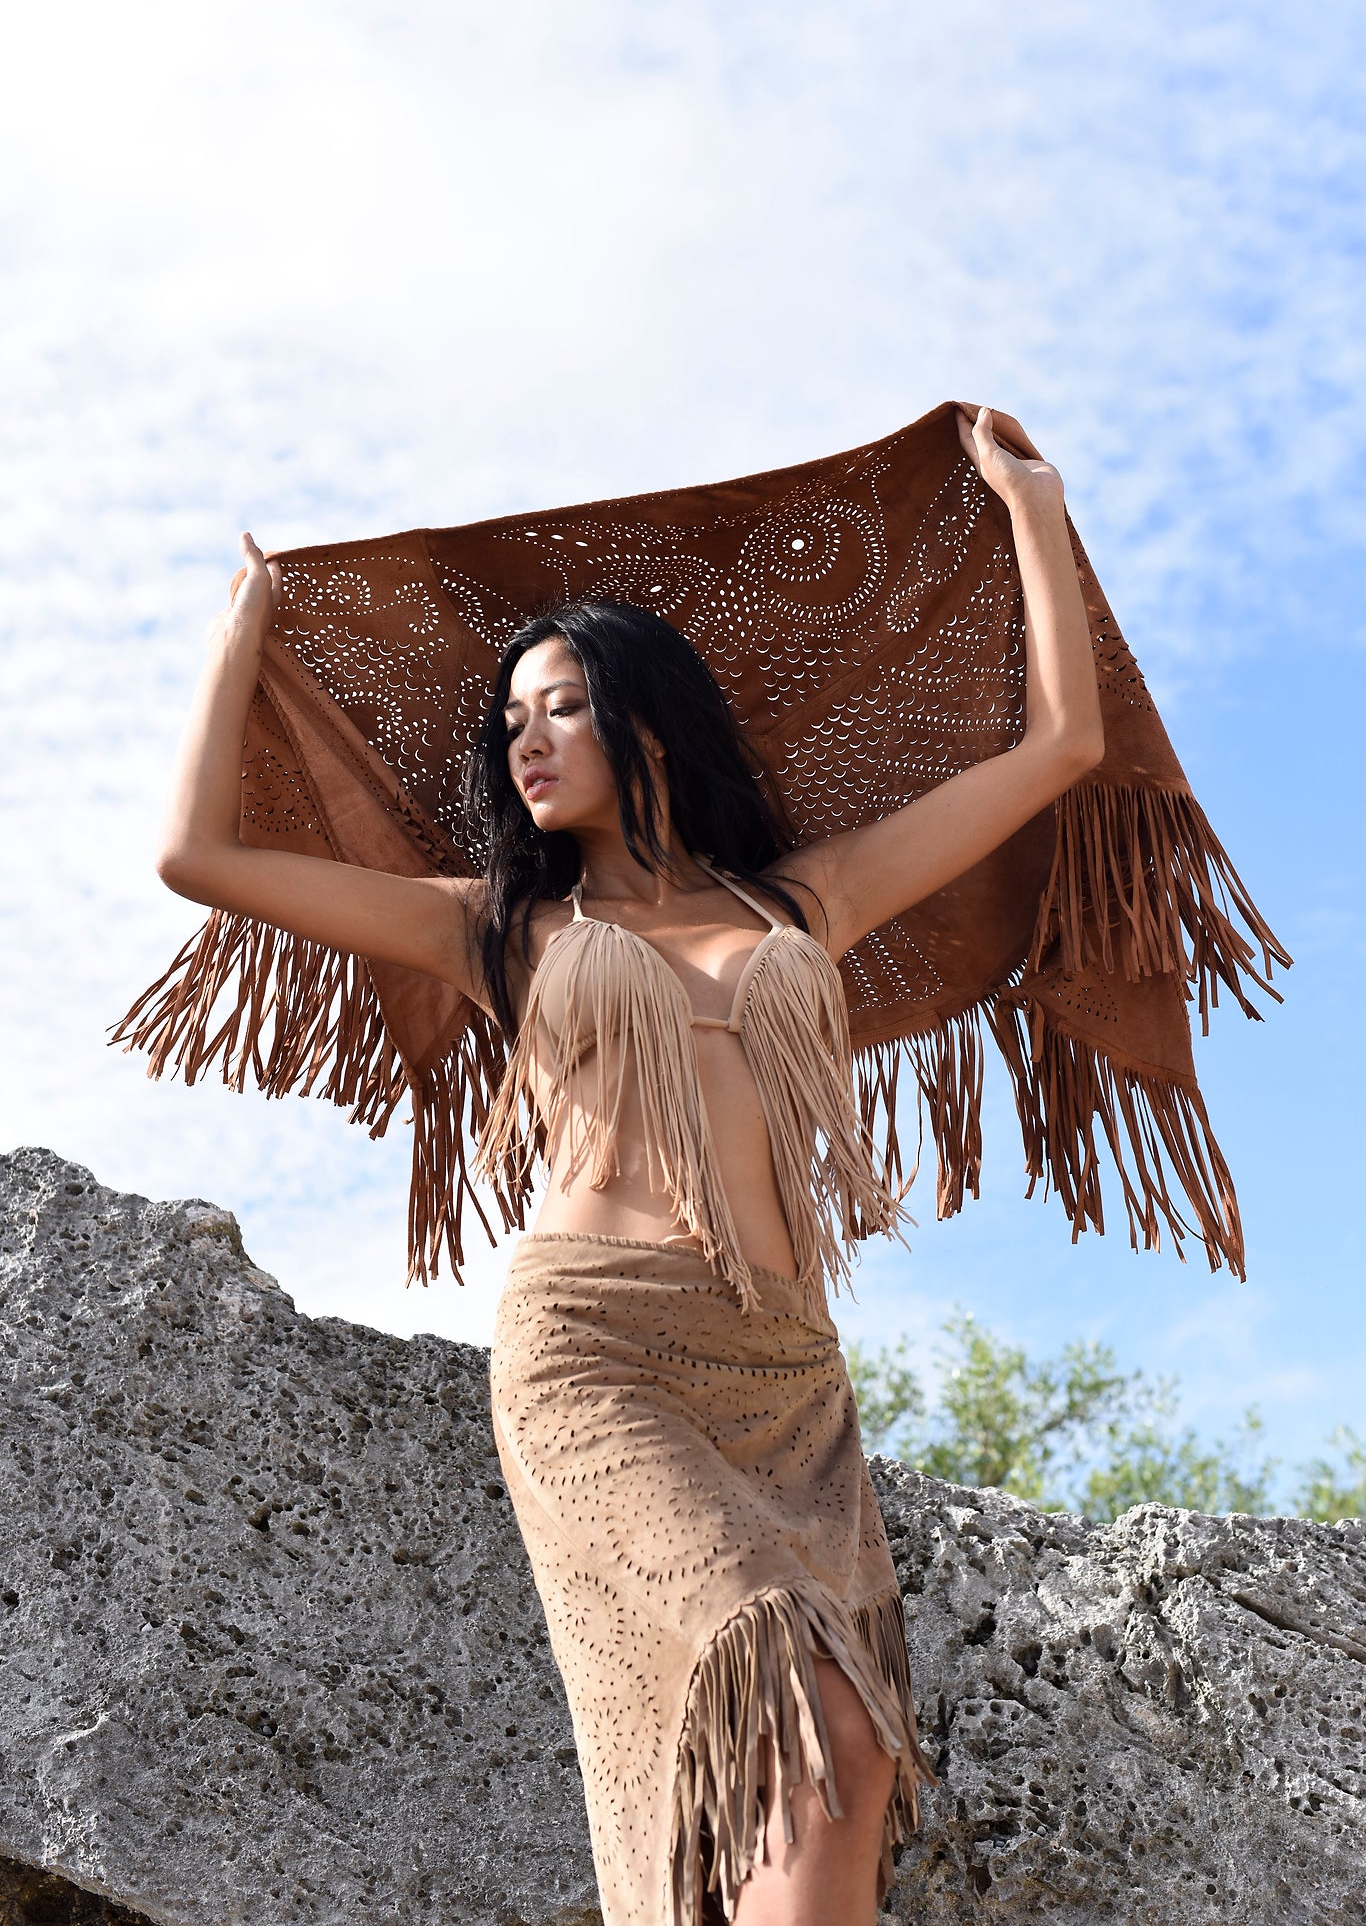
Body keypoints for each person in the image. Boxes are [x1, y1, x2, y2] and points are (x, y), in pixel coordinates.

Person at [155, 405, 1103, 1926]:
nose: (523, 743)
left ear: (647, 721)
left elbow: (1064, 743)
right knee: (796, 1719)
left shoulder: (805, 899)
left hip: (788, 1374)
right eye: (507, 725)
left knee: (841, 1766)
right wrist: (245, 632)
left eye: (559, 710)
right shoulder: (499, 925)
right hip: (598, 1352)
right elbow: (198, 856)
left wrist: (1033, 515)